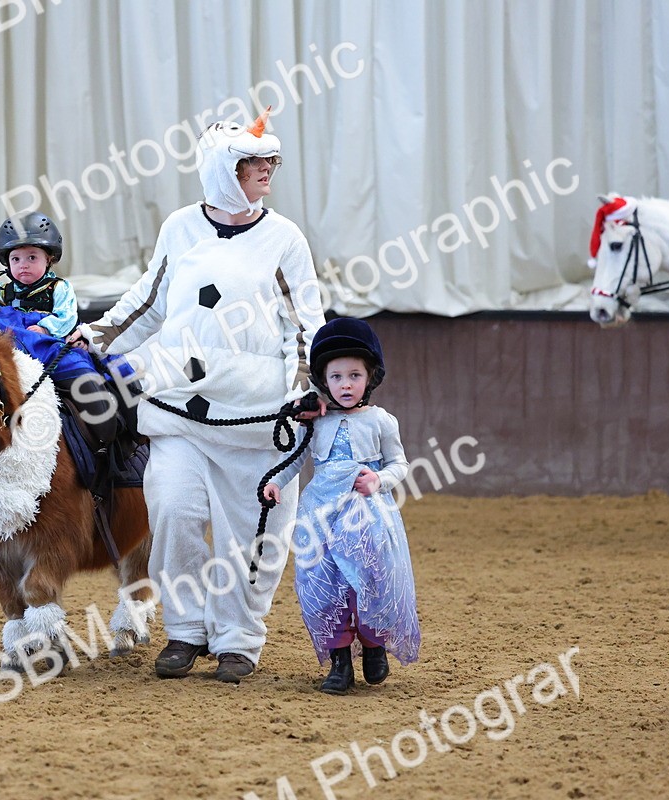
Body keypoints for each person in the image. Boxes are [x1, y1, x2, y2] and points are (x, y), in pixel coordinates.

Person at [70, 108, 326, 683]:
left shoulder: (285, 239)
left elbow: (304, 322)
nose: (267, 170)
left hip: (257, 421)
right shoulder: (181, 227)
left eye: (270, 162)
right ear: (219, 169)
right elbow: (149, 299)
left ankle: (238, 639)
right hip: (179, 409)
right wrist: (99, 334)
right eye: (252, 162)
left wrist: (304, 386)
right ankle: (185, 632)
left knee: (250, 537)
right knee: (174, 511)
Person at [262, 317, 420, 695]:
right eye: (336, 377)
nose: (345, 385)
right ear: (323, 380)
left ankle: (373, 645)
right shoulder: (314, 421)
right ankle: (339, 661)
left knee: (365, 578)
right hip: (320, 515)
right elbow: (298, 460)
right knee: (324, 582)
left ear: (370, 378)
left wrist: (379, 480)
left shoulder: (381, 421)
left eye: (354, 375)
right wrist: (275, 481)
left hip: (366, 515)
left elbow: (401, 463)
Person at [0, 213, 118, 447]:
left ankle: (105, 438)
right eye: (16, 259)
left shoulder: (59, 288)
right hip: (10, 350)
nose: (23, 264)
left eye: (32, 257)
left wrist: (45, 328)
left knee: (84, 376)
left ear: (49, 259)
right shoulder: (0, 291)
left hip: (50, 349)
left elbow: (67, 316)